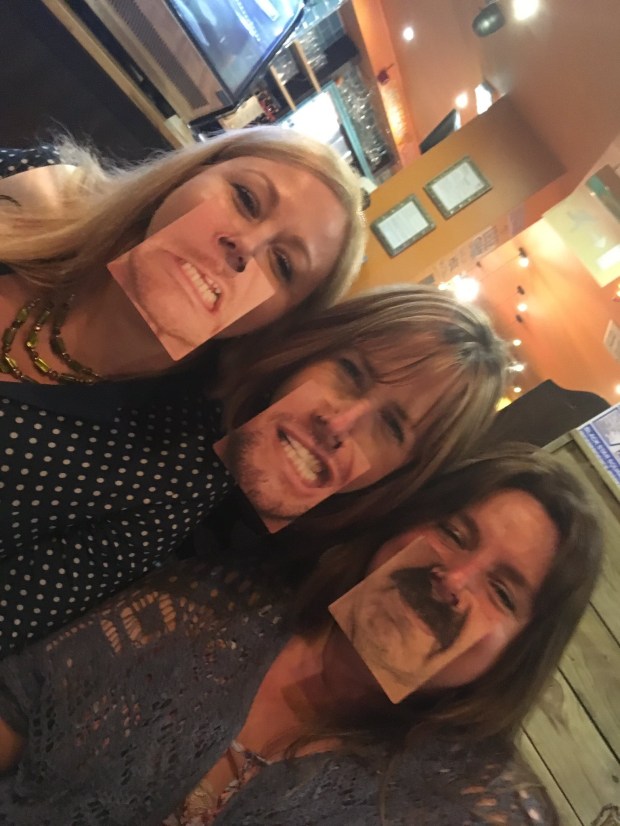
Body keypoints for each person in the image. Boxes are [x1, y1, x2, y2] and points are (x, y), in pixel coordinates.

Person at [0, 445, 602, 825]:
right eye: (454, 533)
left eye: (502, 592)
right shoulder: (207, 605)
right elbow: (19, 707)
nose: (454, 579)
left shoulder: (474, 808)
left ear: (520, 652)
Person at [0, 286, 509, 655]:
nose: (339, 423)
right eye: (351, 372)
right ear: (312, 347)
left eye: (392, 427)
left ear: (400, 476)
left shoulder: (295, 598)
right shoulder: (158, 401)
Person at [0, 127, 365, 382]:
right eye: (246, 199)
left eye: (283, 264)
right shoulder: (36, 185)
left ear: (278, 321)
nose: (246, 246)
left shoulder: (169, 455)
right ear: (192, 173)